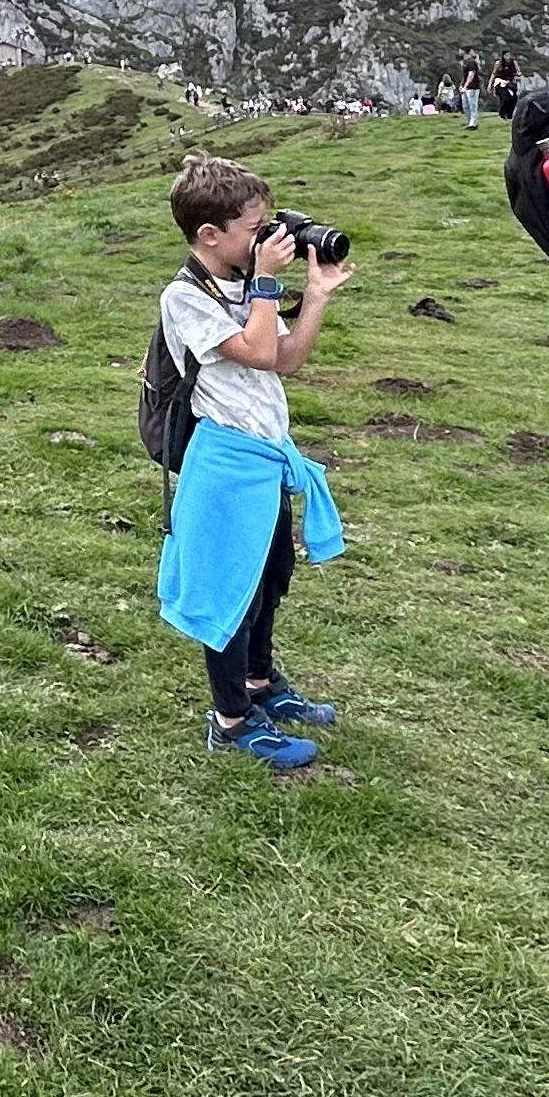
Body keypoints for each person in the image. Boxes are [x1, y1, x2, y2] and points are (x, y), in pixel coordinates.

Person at [154, 154, 354, 770]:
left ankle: (261, 683)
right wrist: (267, 283)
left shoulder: (242, 288)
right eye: (254, 230)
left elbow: (286, 361)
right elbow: (259, 350)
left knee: (269, 580)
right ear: (209, 235)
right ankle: (231, 719)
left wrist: (315, 295)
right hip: (224, 464)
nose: (267, 240)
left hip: (266, 457)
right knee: (230, 593)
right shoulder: (184, 297)